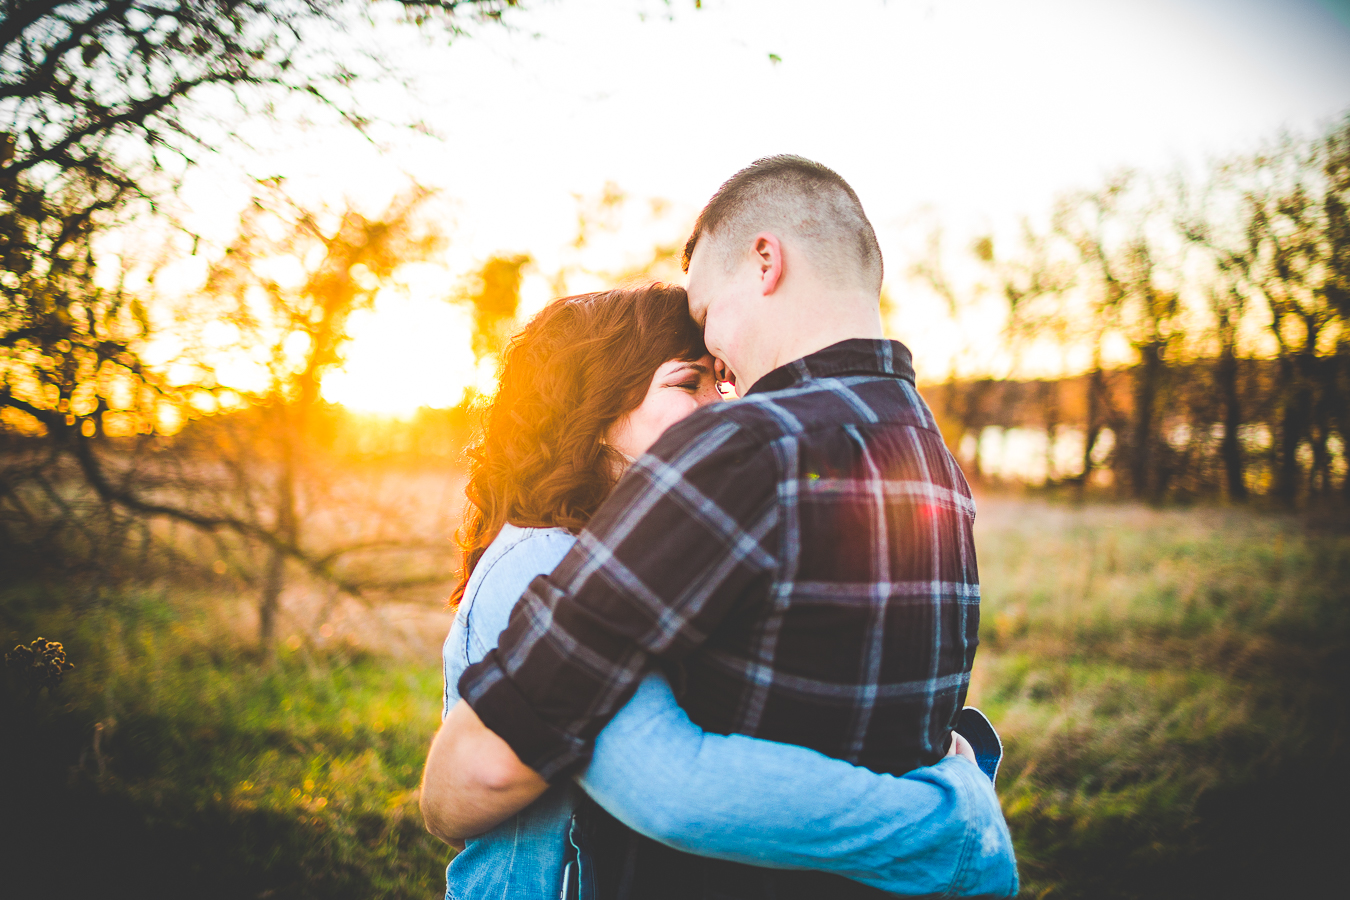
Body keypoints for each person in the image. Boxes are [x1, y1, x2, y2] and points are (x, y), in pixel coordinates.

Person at [422, 157, 1016, 899]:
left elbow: (671, 777)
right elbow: (643, 779)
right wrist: (948, 812)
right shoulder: (925, 451)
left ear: (766, 261)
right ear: (593, 412)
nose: (724, 386)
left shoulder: (751, 451)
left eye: (710, 322)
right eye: (691, 377)